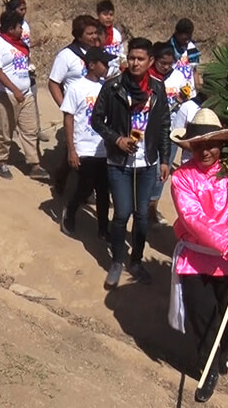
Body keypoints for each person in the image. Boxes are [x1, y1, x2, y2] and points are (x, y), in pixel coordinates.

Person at [169, 108, 228, 403]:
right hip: (196, 258)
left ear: (221, 144)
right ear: (190, 147)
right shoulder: (182, 177)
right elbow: (192, 219)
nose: (205, 151)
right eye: (199, 145)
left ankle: (227, 344)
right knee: (203, 317)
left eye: (211, 145)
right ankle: (207, 368)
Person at [91, 37, 170, 288]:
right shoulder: (113, 86)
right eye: (132, 58)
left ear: (150, 61)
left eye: (140, 59)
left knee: (142, 215)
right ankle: (116, 261)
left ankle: (136, 261)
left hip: (147, 163)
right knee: (122, 213)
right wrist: (117, 139)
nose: (135, 63)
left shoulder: (157, 89)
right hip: (119, 163)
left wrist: (165, 159)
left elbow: (164, 125)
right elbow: (96, 120)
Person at [0, 10, 50, 181]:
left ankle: (34, 165)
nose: (22, 30)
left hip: (26, 94)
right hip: (4, 95)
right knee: (5, 131)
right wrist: (14, 89)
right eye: (19, 27)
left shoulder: (21, 45)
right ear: (10, 29)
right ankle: (1, 161)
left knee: (30, 130)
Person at [59, 47, 112, 239]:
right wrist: (71, 150)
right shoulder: (76, 88)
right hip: (83, 147)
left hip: (103, 148)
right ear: (91, 65)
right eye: (104, 63)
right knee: (86, 186)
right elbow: (68, 119)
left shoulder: (107, 88)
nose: (107, 67)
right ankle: (70, 210)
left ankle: (103, 228)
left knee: (103, 190)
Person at [49, 15, 101, 194]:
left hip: (95, 107)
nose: (94, 37)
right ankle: (63, 177)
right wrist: (65, 107)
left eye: (95, 33)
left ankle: (91, 186)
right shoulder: (66, 56)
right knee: (74, 146)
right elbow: (53, 83)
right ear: (78, 35)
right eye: (89, 34)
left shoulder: (97, 52)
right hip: (76, 108)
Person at [146, 41, 190, 223]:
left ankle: (151, 208)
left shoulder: (179, 77)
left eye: (169, 64)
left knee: (161, 171)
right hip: (148, 132)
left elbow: (189, 100)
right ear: (153, 59)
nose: (165, 67)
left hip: (171, 133)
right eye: (162, 63)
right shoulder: (146, 77)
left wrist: (183, 98)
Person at [4, 0, 52, 142]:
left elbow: (25, 45)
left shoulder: (25, 26)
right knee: (13, 100)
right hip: (14, 68)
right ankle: (11, 128)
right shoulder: (8, 26)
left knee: (33, 97)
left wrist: (37, 43)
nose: (24, 12)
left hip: (27, 66)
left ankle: (36, 129)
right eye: (21, 9)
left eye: (25, 9)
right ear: (13, 10)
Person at [169, 18, 202, 99]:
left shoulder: (191, 48)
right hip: (173, 92)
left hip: (190, 92)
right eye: (184, 39)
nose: (187, 41)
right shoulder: (169, 49)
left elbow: (194, 70)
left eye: (189, 38)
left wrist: (198, 86)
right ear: (177, 34)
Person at [96, 0, 125, 77]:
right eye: (105, 14)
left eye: (111, 15)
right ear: (98, 14)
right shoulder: (94, 33)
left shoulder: (116, 34)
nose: (108, 17)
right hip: (99, 75)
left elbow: (121, 53)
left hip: (116, 74)